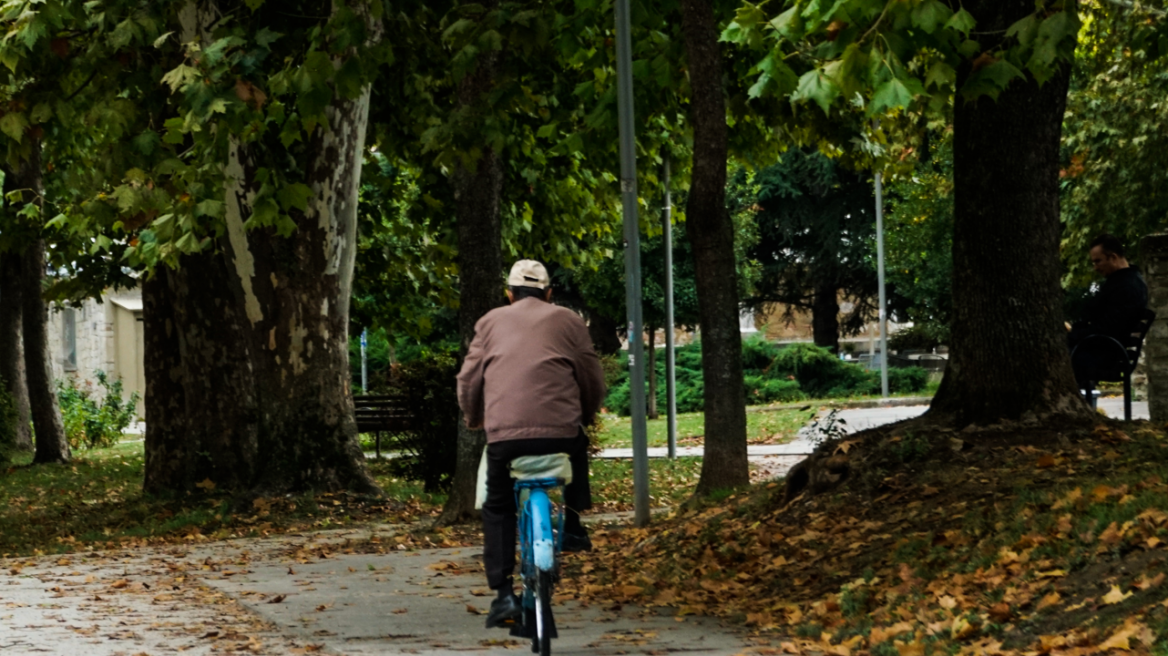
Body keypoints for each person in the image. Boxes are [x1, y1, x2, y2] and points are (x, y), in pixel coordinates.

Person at [456, 259, 606, 629]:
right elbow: (591, 377)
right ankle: (573, 524)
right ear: (549, 293)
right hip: (560, 431)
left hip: (505, 435)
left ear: (509, 294)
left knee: (498, 505)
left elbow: (469, 380)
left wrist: (475, 419)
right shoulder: (569, 320)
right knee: (576, 446)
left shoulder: (490, 322)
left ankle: (503, 593)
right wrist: (585, 416)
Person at [1068, 234, 1149, 392]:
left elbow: (1109, 328)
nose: (1095, 267)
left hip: (1106, 354)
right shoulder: (1124, 282)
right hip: (1104, 349)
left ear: (1113, 257)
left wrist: (1072, 335)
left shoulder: (1127, 287)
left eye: (1098, 261)